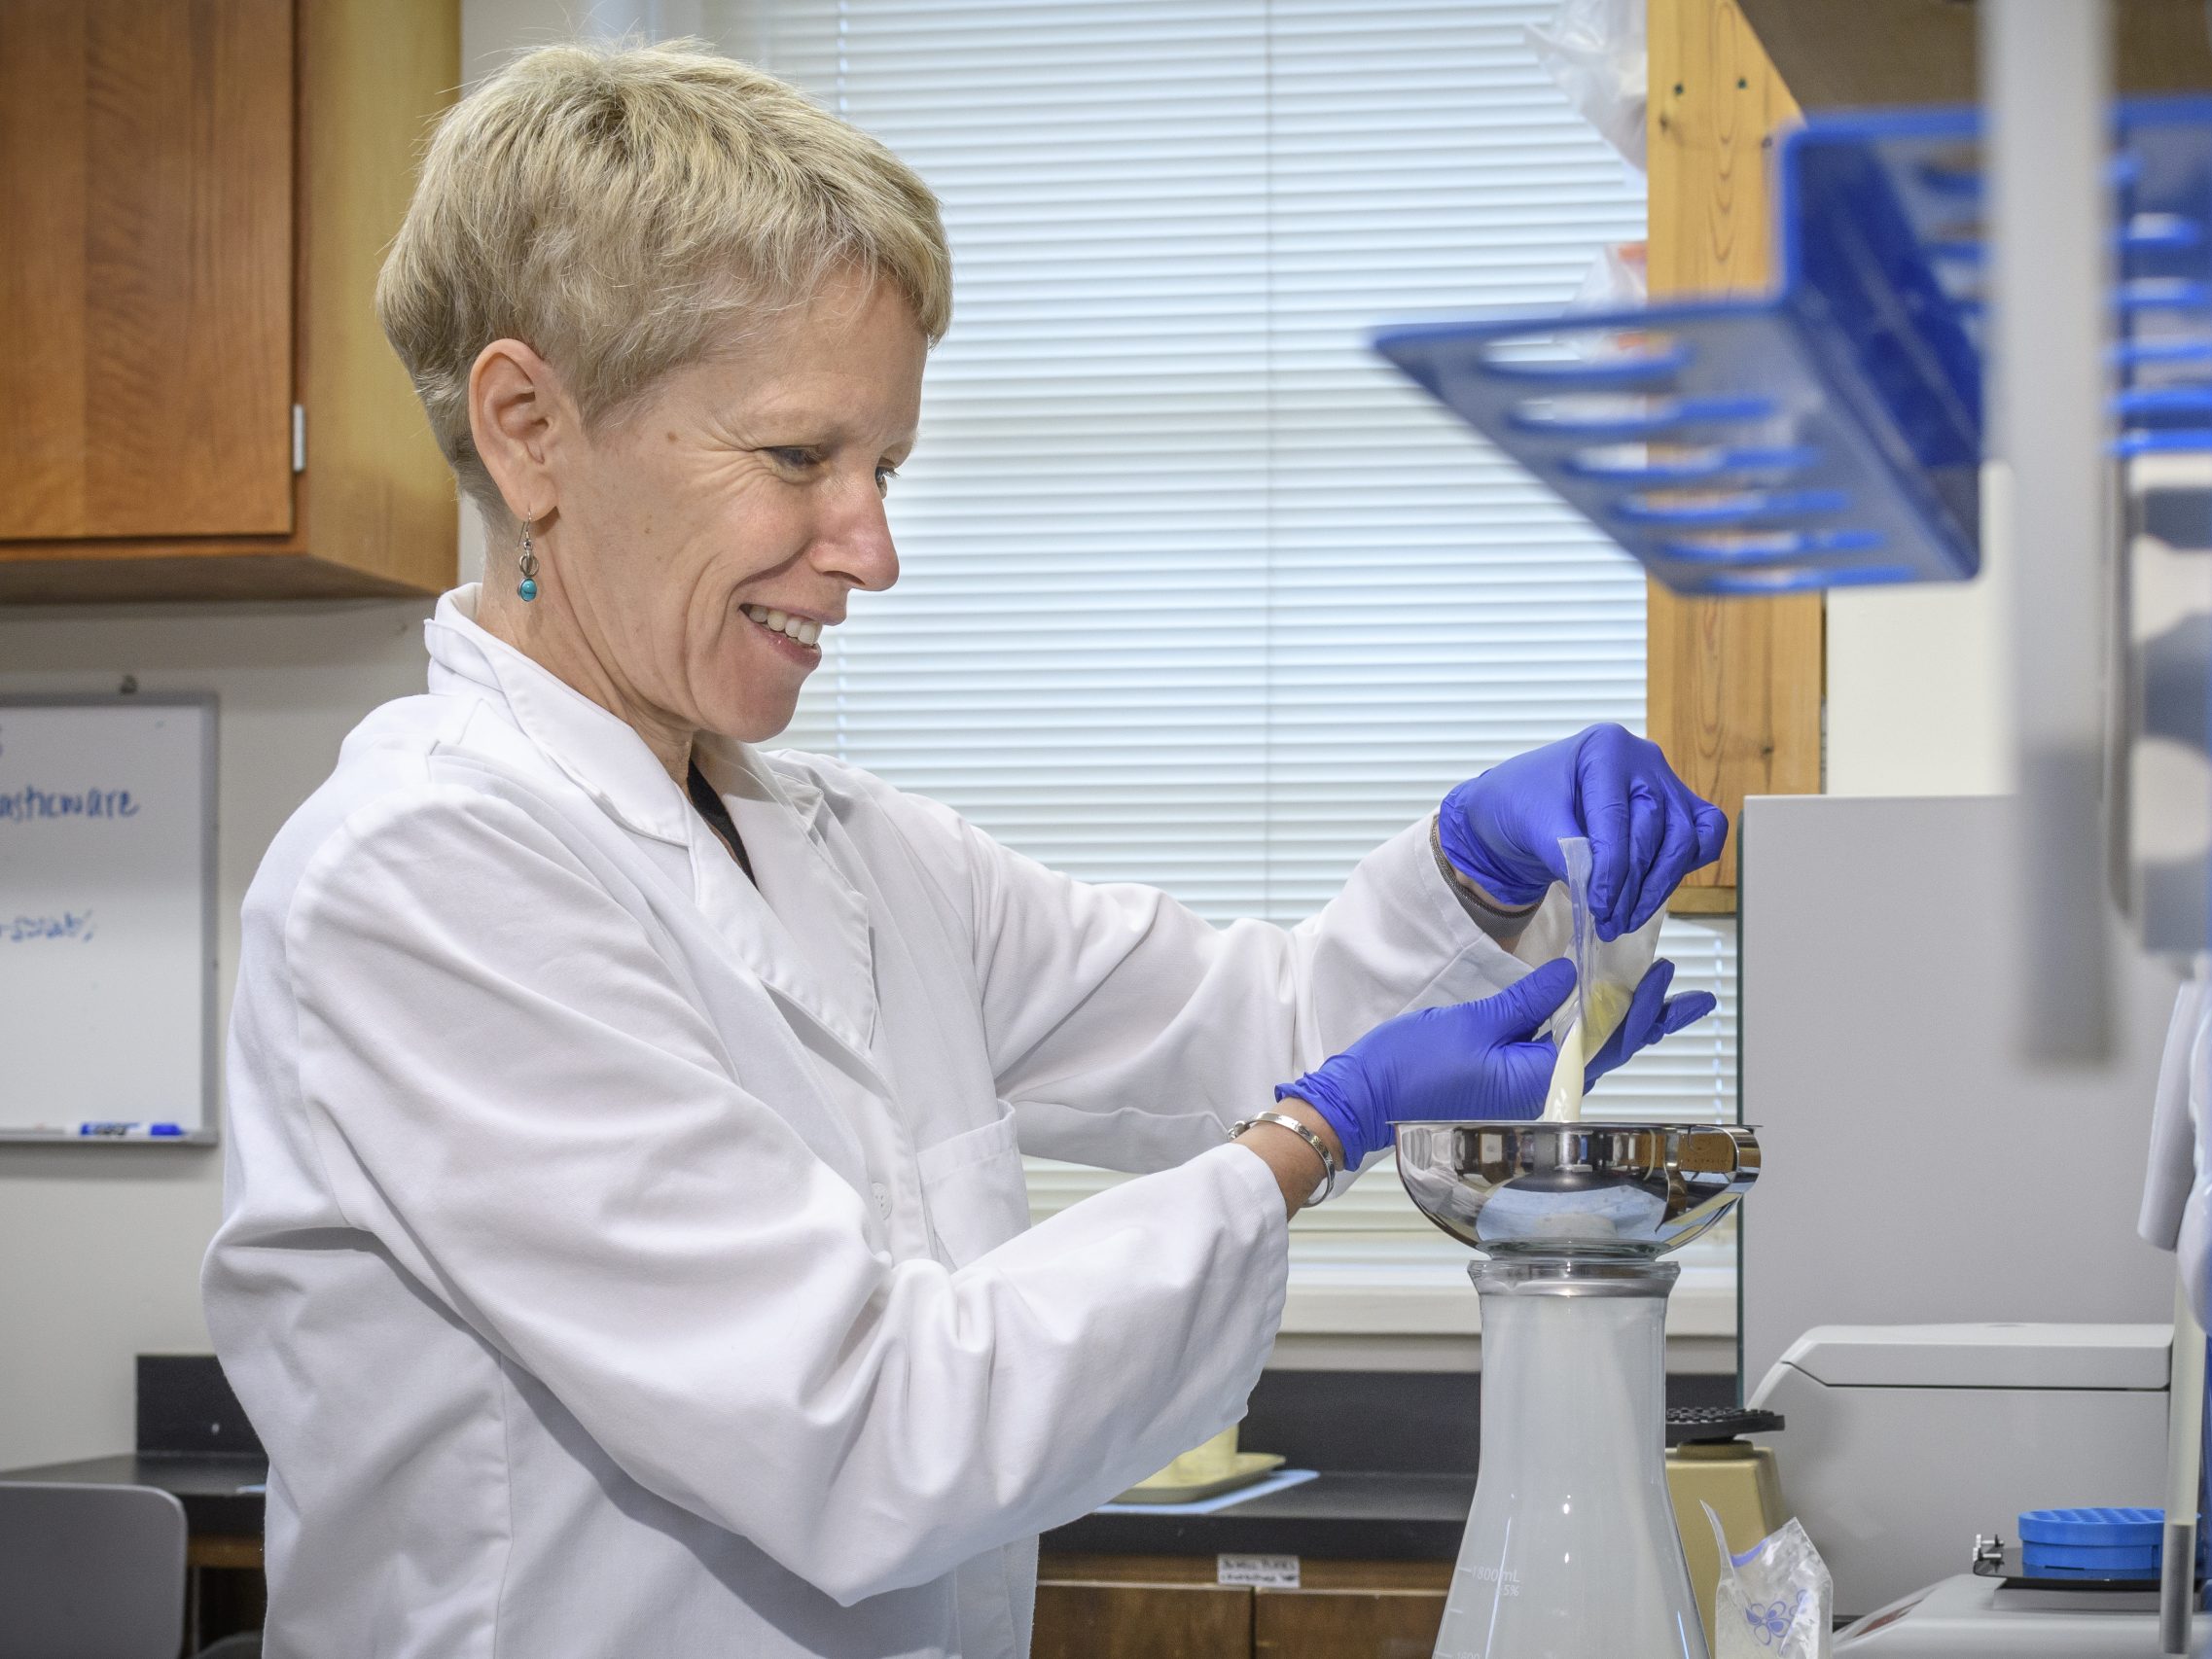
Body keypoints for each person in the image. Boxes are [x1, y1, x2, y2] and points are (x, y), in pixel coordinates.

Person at [201, 40, 1729, 1659]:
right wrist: (1318, 1132)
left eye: (886, 466)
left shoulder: (844, 847)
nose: (873, 551)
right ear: (529, 429)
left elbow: (1251, 1022)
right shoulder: (424, 876)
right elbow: (866, 1429)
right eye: (799, 457)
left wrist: (1475, 871)